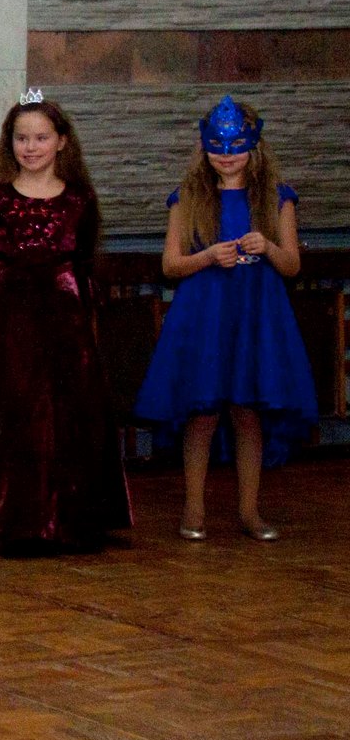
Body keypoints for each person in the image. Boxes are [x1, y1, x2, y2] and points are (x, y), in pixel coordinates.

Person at [0, 94, 131, 553]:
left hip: (64, 324)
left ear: (61, 142)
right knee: (14, 418)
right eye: (22, 138)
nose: (30, 147)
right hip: (7, 324)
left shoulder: (80, 200)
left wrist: (86, 324)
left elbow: (86, 264)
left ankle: (71, 521)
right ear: (9, 143)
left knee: (68, 417)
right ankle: (18, 523)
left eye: (40, 138)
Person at [133, 97, 314, 542]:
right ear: (204, 146)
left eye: (236, 145)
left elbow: (292, 265)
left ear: (255, 146)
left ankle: (249, 511)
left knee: (248, 410)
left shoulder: (277, 198)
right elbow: (170, 265)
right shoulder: (187, 199)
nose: (227, 154)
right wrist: (209, 256)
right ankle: (193, 509)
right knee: (203, 410)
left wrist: (267, 247)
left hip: (256, 315)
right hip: (205, 315)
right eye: (217, 145)